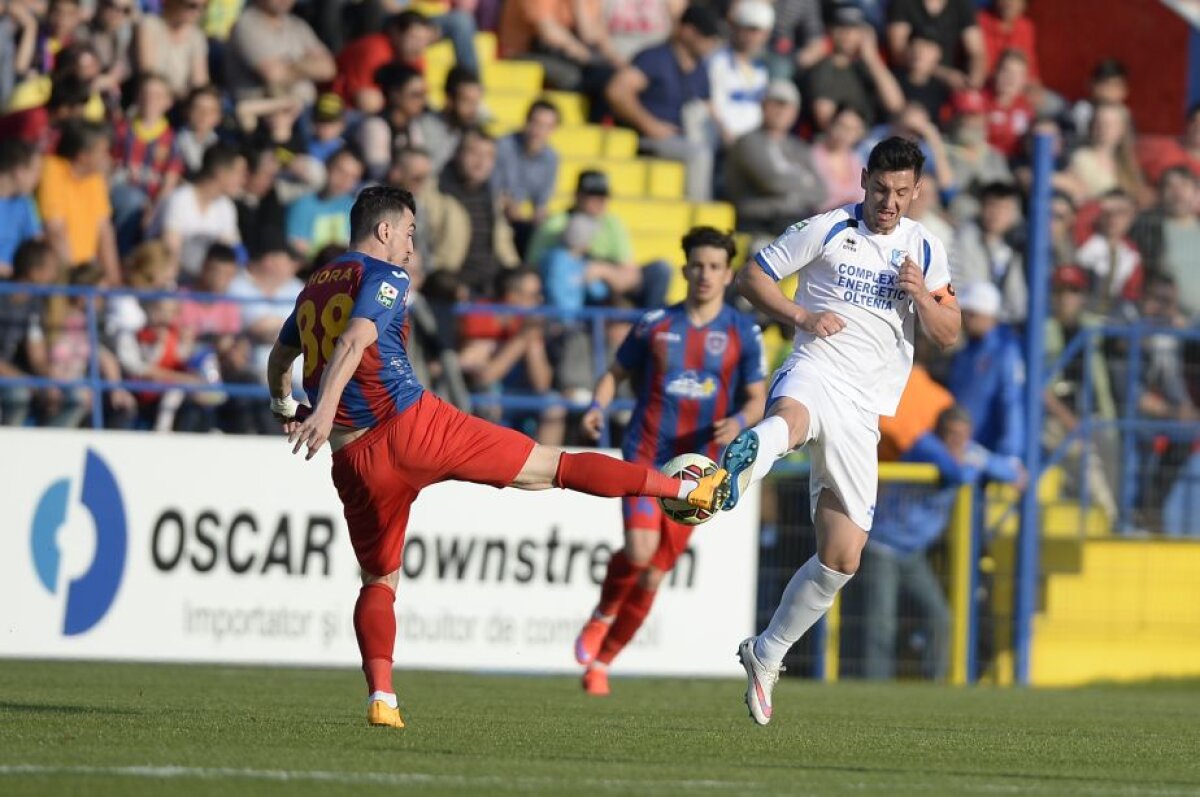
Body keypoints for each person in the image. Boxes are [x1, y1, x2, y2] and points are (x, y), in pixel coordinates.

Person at [265, 186, 730, 728]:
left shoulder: (314, 285)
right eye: (409, 233)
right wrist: (322, 409)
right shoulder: (387, 275)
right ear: (385, 230)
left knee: (378, 581)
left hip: (354, 459)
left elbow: (281, 357)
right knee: (551, 467)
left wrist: (285, 406)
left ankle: (383, 697)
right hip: (415, 427)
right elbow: (354, 341)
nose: (412, 247)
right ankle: (685, 489)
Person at [714, 136, 961, 725]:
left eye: (901, 192)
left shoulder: (925, 247)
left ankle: (766, 652)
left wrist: (921, 297)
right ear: (864, 179)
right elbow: (752, 277)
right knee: (791, 420)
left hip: (864, 410)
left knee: (842, 559)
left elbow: (949, 331)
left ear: (916, 192)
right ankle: (749, 462)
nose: (889, 202)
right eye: (881, 189)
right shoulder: (827, 228)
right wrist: (801, 315)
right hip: (815, 367)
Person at [573, 226, 767, 696]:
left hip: (701, 469)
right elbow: (614, 373)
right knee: (640, 550)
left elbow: (758, 398)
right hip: (647, 453)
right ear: (685, 270)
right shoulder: (656, 324)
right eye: (697, 266)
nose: (705, 274)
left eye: (715, 267)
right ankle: (602, 614)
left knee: (656, 571)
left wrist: (739, 420)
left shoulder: (743, 332)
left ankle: (602, 663)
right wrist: (598, 406)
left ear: (728, 275)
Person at [851, 405, 1023, 680]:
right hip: (883, 545)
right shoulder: (926, 445)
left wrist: (989, 465)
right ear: (940, 432)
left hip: (913, 552)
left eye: (963, 435)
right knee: (881, 623)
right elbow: (958, 474)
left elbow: (1010, 472)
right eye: (951, 434)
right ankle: (875, 685)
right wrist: (977, 465)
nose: (957, 441)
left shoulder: (967, 451)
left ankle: (935, 684)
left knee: (940, 616)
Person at [605, 4, 722, 202]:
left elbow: (709, 108)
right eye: (705, 35)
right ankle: (699, 212)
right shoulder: (655, 58)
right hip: (647, 139)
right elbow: (617, 91)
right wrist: (649, 125)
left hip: (685, 137)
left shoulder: (700, 68)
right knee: (699, 154)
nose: (711, 42)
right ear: (687, 31)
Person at [724, 79, 826, 233]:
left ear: (795, 113)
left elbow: (821, 192)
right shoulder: (748, 142)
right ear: (763, 106)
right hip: (757, 223)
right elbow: (773, 182)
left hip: (794, 220)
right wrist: (804, 181)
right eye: (776, 104)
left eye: (787, 106)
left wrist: (791, 190)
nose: (781, 111)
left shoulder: (799, 147)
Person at [945, 281, 1025, 459]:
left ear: (987, 315)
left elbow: (1011, 402)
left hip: (989, 454)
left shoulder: (1005, 350)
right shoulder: (966, 352)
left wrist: (1010, 454)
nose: (965, 319)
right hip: (964, 448)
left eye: (971, 314)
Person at [438, 128, 520, 297]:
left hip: (490, 284)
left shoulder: (492, 197)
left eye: (489, 156)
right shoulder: (435, 195)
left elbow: (505, 247)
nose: (481, 162)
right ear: (458, 154)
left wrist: (519, 275)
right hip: (448, 284)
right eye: (474, 153)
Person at [36, 119, 120, 284]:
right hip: (62, 275)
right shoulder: (52, 169)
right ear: (83, 156)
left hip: (88, 275)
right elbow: (55, 231)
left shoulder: (95, 179)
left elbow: (105, 232)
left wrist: (114, 280)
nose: (108, 158)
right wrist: (74, 281)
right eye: (103, 152)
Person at [806, 3, 905, 133]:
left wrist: (872, 58)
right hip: (841, 138)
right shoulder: (824, 69)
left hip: (872, 136)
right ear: (831, 31)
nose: (847, 34)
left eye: (853, 29)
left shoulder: (869, 67)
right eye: (841, 27)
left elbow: (896, 106)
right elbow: (824, 121)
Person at [153, 143, 246, 279]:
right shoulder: (180, 199)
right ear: (220, 173)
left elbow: (234, 253)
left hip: (203, 280)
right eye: (239, 174)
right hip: (167, 277)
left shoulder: (226, 207)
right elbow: (170, 256)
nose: (243, 180)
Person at [225, 0, 336, 107]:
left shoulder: (298, 25)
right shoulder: (246, 25)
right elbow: (274, 75)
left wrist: (290, 66)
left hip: (306, 106)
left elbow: (329, 69)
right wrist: (309, 65)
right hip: (266, 110)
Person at [1129, 166, 1200, 317]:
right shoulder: (1146, 230)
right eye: (1170, 186)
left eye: (1184, 185)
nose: (1178, 192)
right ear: (1160, 194)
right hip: (1164, 322)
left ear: (1196, 192)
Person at [952, 181, 1026, 323]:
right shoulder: (965, 237)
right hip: (969, 317)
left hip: (1007, 322)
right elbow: (964, 290)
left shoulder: (1021, 245)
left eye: (1004, 208)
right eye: (992, 206)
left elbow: (1018, 303)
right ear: (981, 208)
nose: (996, 214)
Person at [494, 99, 561, 256]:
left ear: (553, 130)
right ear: (526, 121)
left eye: (546, 126)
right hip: (495, 213)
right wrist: (510, 206)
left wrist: (540, 217)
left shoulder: (551, 158)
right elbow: (493, 191)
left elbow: (541, 204)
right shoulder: (503, 146)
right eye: (536, 123)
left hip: (523, 222)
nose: (538, 131)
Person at [707, 0, 772, 147]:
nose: (752, 36)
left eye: (758, 31)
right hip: (724, 141)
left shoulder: (761, 67)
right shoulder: (717, 62)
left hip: (754, 142)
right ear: (735, 28)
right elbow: (712, 104)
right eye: (748, 29)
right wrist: (725, 132)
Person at [885, 0, 985, 92]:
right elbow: (897, 54)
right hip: (909, 81)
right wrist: (942, 74)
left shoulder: (961, 5)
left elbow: (976, 52)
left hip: (948, 85)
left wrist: (974, 82)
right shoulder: (904, 3)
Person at [285, 148, 364, 257]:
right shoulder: (302, 204)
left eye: (353, 177)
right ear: (327, 167)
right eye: (340, 171)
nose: (345, 180)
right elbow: (297, 249)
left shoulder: (352, 207)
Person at [1075, 189, 1144, 314]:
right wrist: (1101, 203)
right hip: (1081, 308)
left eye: (1121, 213)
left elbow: (1131, 292)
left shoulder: (1132, 253)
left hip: (1113, 313)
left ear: (1131, 217)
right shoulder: (1086, 238)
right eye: (1107, 213)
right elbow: (1082, 219)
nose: (1113, 218)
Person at [133, 0, 209, 101]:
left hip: (182, 99)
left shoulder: (197, 37)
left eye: (204, 7)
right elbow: (148, 71)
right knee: (152, 89)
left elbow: (199, 82)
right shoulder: (149, 25)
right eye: (192, 6)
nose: (198, 12)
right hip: (151, 96)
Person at [811, 104, 868, 211]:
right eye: (841, 126)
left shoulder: (857, 160)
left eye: (852, 130)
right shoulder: (811, 156)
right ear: (830, 124)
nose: (844, 134)